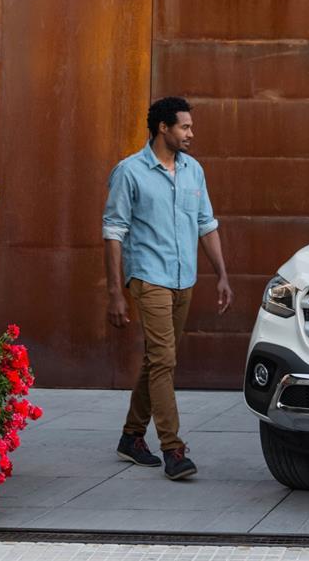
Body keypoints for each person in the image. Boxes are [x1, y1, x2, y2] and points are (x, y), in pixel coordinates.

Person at [101, 96, 233, 480]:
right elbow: (113, 232)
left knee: (157, 360)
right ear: (163, 128)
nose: (191, 134)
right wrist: (115, 291)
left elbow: (206, 225)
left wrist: (221, 274)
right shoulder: (129, 172)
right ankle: (173, 449)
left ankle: (130, 437)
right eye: (185, 127)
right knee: (165, 361)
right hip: (149, 277)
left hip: (183, 279)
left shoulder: (194, 171)